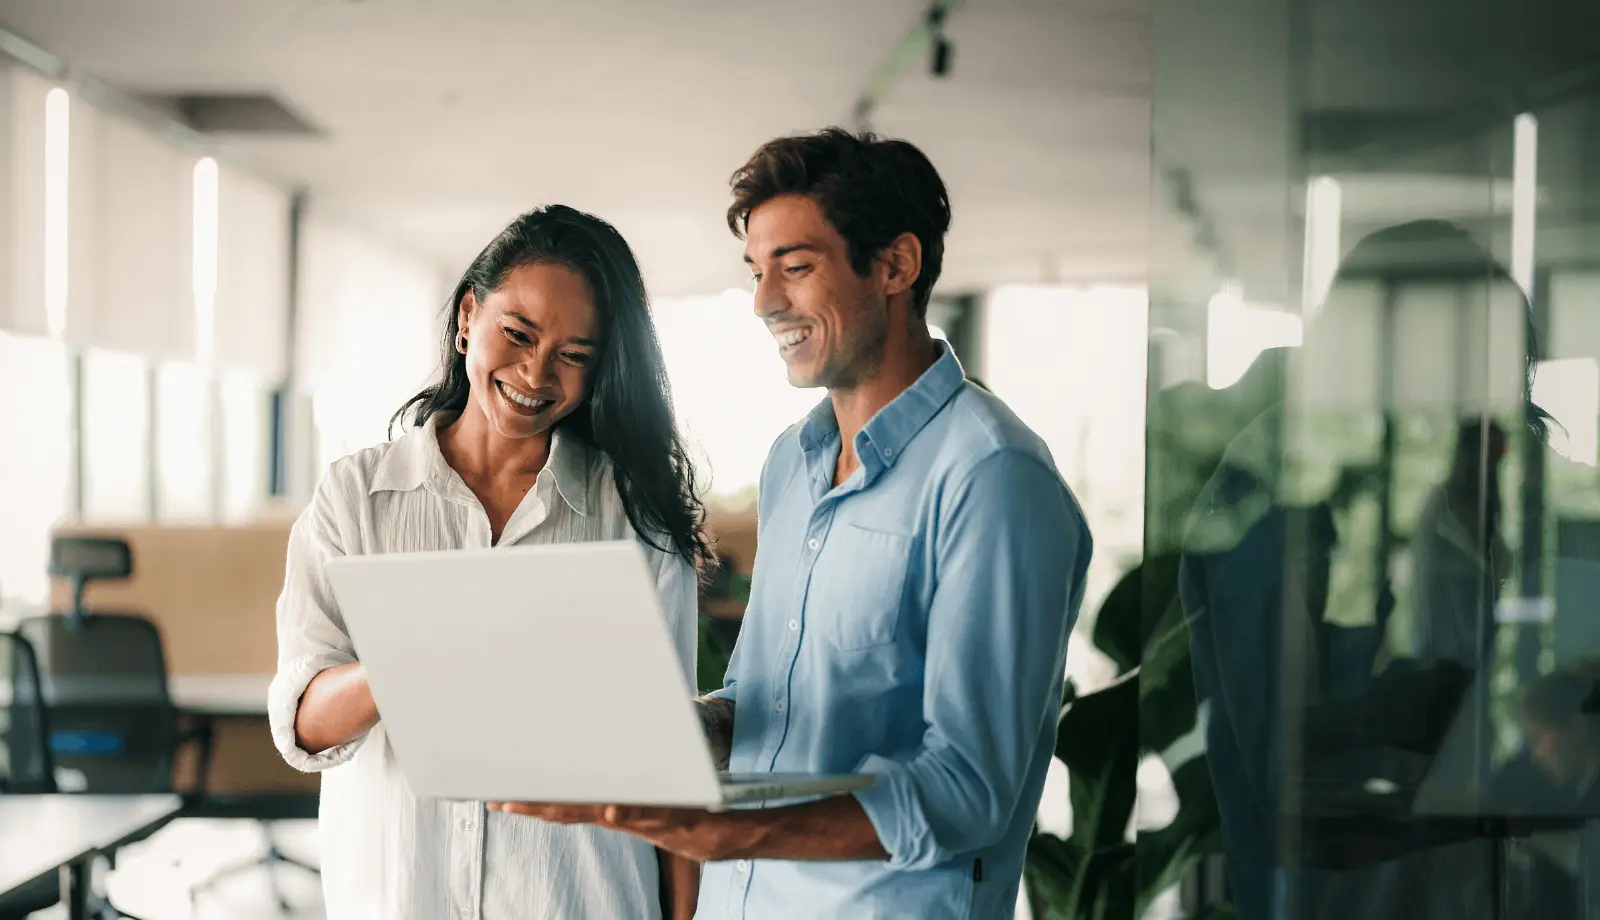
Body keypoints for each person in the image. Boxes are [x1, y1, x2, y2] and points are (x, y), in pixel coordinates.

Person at [490, 128, 1093, 919]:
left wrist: (731, 832)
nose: (765, 302)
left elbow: (968, 790)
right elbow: (761, 700)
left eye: (796, 268)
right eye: (757, 271)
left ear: (896, 266)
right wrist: (667, 727)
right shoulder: (793, 464)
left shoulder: (994, 478)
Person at [266, 206, 712, 920]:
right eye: (519, 333)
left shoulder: (634, 517)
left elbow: (672, 775)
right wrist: (419, 647)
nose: (537, 372)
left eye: (575, 354)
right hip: (402, 898)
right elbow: (305, 725)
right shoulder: (356, 497)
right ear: (468, 315)